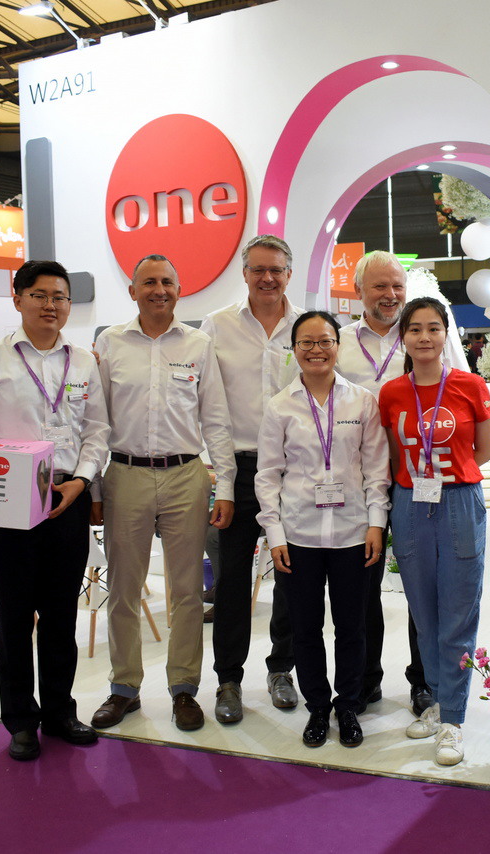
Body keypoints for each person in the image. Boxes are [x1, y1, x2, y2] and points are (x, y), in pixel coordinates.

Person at [0, 260, 110, 762]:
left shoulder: (84, 363)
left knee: (60, 613)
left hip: (65, 498)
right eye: (39, 295)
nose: (51, 305)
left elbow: (97, 430)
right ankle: (20, 721)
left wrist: (82, 481)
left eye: (60, 296)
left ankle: (59, 711)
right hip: (6, 500)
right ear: (17, 299)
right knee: (14, 616)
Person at [89, 255, 235, 734]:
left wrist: (226, 485)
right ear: (132, 290)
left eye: (167, 281)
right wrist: (94, 485)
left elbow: (216, 419)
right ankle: (124, 688)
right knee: (123, 589)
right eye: (148, 282)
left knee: (188, 590)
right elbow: (95, 421)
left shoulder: (199, 344)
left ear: (179, 288)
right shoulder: (110, 342)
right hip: (126, 473)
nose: (159, 289)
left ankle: (184, 689)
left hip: (186, 476)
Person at [335, 250, 463, 717]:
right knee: (361, 584)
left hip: (418, 479)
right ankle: (365, 678)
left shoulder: (426, 335)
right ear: (358, 291)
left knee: (422, 587)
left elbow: (459, 392)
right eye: (380, 286)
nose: (390, 295)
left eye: (398, 287)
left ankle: (423, 680)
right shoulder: (339, 341)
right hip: (355, 481)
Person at [256, 311, 390, 749]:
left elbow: (377, 470)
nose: (316, 350)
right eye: (307, 342)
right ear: (294, 349)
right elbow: (268, 476)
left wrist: (376, 524)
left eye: (325, 341)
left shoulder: (362, 402)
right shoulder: (280, 406)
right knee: (305, 628)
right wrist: (275, 535)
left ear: (338, 345)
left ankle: (348, 705)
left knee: (352, 627)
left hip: (354, 533)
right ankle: (317, 707)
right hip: (299, 536)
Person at [378, 296, 490, 767]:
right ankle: (438, 701)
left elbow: (483, 451)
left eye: (433, 328)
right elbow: (393, 456)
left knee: (458, 612)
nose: (424, 337)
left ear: (446, 335)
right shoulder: (391, 394)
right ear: (402, 337)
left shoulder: (471, 385)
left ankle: (454, 719)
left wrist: (447, 477)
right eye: (415, 329)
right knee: (423, 613)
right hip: (410, 504)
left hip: (460, 501)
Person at [199, 235, 300, 724]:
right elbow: (211, 410)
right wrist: (222, 480)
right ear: (244, 274)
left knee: (292, 578)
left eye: (276, 269)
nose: (267, 278)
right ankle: (228, 680)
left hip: (296, 471)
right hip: (238, 471)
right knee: (232, 582)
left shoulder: (307, 327)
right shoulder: (216, 326)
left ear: (289, 274)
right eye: (258, 269)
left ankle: (282, 669)